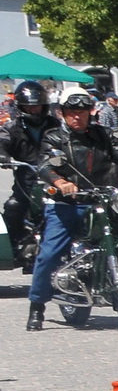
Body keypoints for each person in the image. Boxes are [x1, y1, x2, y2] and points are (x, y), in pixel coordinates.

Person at [25, 91, 118, 331]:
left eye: (81, 112)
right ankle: (37, 305)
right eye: (72, 112)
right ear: (63, 113)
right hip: (69, 202)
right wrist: (60, 182)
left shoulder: (104, 135)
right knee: (50, 252)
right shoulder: (54, 137)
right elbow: (45, 164)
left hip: (107, 197)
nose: (77, 117)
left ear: (90, 113)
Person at [0, 80, 53, 273]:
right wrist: (3, 156)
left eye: (37, 106)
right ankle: (15, 246)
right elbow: (2, 141)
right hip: (26, 182)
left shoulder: (56, 126)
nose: (33, 110)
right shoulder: (12, 127)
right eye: (29, 107)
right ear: (20, 107)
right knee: (13, 207)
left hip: (56, 180)